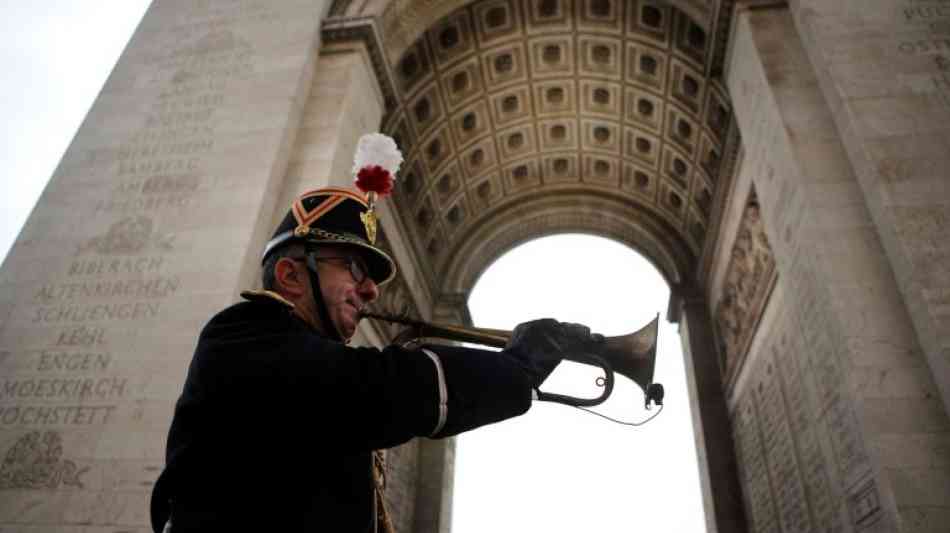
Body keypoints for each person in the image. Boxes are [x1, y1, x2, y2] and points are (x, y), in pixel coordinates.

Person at [150, 186, 598, 532]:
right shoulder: (241, 333)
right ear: (289, 275)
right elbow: (375, 388)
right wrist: (514, 368)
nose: (371, 290)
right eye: (355, 269)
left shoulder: (312, 363)